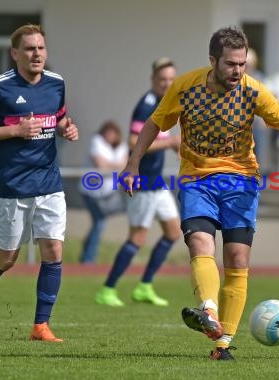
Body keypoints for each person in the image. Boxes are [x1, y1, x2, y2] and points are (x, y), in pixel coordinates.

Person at [119, 26, 279, 360]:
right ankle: (208, 311)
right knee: (200, 243)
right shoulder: (185, 87)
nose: (238, 70)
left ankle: (222, 345)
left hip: (241, 181)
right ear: (213, 61)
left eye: (242, 64)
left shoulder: (254, 91)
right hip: (197, 179)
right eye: (230, 64)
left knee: (237, 258)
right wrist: (133, 164)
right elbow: (154, 123)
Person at [0, 24, 79, 342]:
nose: (37, 54)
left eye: (41, 48)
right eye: (29, 49)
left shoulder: (57, 84)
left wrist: (66, 127)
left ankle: (41, 326)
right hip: (12, 186)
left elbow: (59, 118)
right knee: (7, 257)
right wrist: (13, 131)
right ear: (15, 54)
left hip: (49, 182)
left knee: (53, 249)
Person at [95, 58, 181, 307]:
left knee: (174, 232)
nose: (167, 84)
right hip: (142, 183)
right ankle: (107, 289)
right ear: (153, 79)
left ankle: (145, 286)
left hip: (157, 183)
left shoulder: (165, 103)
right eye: (163, 79)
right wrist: (171, 143)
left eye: (171, 79)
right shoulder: (146, 105)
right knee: (137, 239)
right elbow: (134, 142)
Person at [79, 120, 128, 264]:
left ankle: (86, 251)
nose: (110, 135)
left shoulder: (121, 146)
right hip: (91, 191)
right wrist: (116, 165)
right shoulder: (97, 141)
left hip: (108, 193)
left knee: (98, 223)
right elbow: (100, 164)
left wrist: (112, 165)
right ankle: (88, 259)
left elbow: (125, 164)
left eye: (113, 133)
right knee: (100, 222)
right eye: (108, 132)